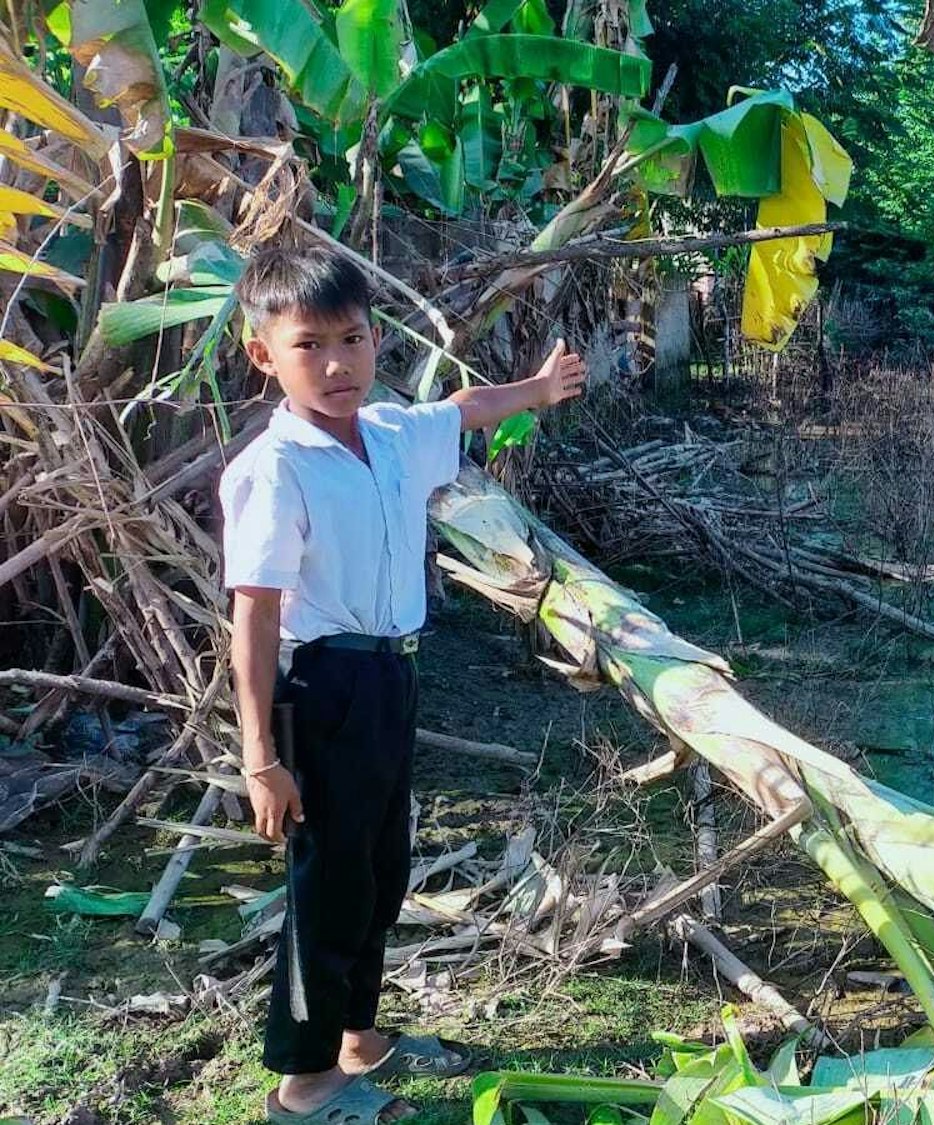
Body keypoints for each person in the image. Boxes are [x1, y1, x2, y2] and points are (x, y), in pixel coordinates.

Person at [221, 243, 584, 1123]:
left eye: (352, 338)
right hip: (326, 686)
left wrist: (538, 389)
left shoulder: (387, 435)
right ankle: (305, 1084)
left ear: (375, 338)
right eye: (310, 345)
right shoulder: (276, 469)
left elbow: (463, 408)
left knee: (382, 870)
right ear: (262, 353)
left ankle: (360, 1039)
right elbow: (256, 615)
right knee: (328, 884)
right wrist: (262, 755)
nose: (338, 363)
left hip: (391, 680)